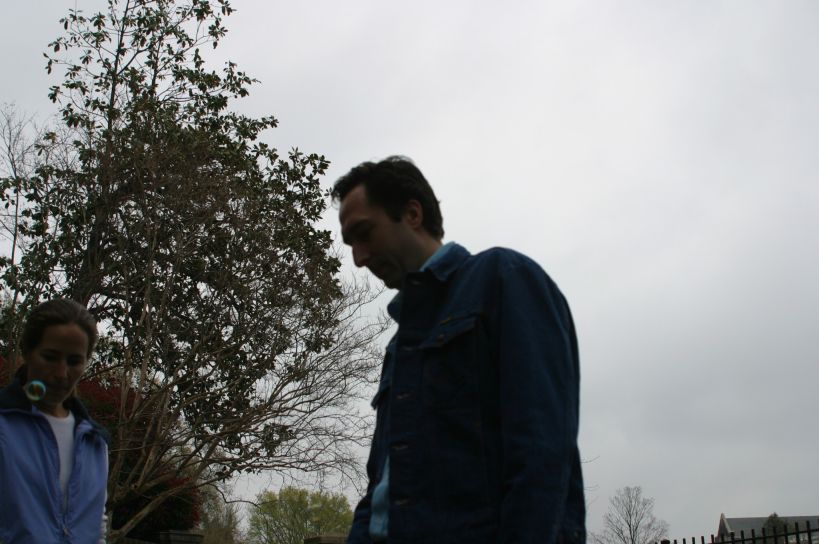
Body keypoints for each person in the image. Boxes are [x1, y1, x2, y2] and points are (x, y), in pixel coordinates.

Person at [334, 157, 586, 544]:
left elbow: (542, 455)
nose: (359, 257)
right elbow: (381, 483)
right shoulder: (399, 345)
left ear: (412, 213)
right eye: (350, 244)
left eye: (364, 233)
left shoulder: (503, 278)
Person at [0, 298, 109, 544]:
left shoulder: (95, 442)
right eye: (50, 357)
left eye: (74, 361)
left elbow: (96, 528)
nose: (61, 373)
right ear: (27, 352)